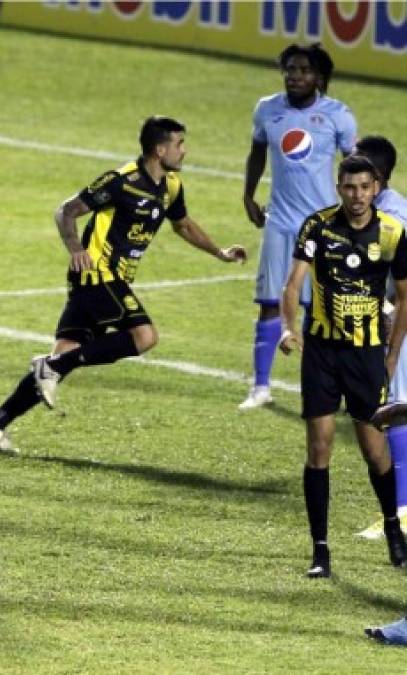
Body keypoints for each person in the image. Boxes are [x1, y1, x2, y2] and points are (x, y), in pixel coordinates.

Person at [0, 116, 247, 454]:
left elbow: (184, 225)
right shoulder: (121, 181)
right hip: (98, 273)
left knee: (63, 358)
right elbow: (66, 211)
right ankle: (48, 369)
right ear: (160, 149)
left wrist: (220, 252)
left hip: (110, 280)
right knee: (144, 337)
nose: (184, 151)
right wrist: (76, 250)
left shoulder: (171, 186)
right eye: (180, 144)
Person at [278, 156, 407, 578]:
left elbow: (405, 298)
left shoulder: (391, 232)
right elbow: (293, 283)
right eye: (349, 187)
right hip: (321, 354)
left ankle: (393, 528)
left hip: (366, 356)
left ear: (376, 188)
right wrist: (288, 328)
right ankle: (320, 550)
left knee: (374, 451)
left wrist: (390, 355)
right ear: (340, 187)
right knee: (319, 450)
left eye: (364, 187)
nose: (356, 196)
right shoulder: (317, 227)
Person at [240, 43, 358, 411]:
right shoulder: (267, 109)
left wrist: (353, 215)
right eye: (290, 69)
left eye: (304, 70)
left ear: (320, 78)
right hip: (280, 222)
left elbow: (355, 167)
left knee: (320, 311)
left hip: (323, 227)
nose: (295, 76)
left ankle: (317, 387)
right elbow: (257, 151)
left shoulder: (339, 116)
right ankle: (260, 387)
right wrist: (248, 194)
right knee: (271, 304)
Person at [354, 137, 407, 535]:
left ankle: (403, 511)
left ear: (379, 177)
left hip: (398, 322)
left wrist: (389, 322)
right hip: (385, 318)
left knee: (395, 410)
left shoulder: (395, 218)